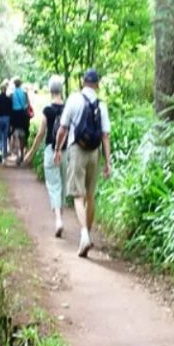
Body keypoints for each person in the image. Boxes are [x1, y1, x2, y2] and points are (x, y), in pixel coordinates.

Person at [53, 69, 111, 257]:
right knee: (90, 196)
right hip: (95, 152)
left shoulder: (74, 99)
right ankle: (87, 234)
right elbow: (105, 135)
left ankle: (84, 235)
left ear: (83, 82)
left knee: (78, 195)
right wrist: (107, 162)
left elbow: (63, 128)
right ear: (97, 84)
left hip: (77, 149)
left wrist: (57, 149)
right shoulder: (101, 105)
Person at [24, 75, 68, 237]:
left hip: (51, 151)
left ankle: (58, 220)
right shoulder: (67, 109)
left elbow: (41, 133)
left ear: (50, 90)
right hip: (65, 152)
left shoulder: (47, 110)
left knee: (54, 185)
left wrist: (31, 152)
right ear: (61, 91)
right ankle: (60, 217)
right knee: (62, 185)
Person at [10, 77, 31, 165]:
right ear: (21, 84)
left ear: (14, 84)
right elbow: (28, 104)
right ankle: (22, 153)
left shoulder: (12, 94)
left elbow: (10, 105)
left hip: (15, 115)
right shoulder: (24, 93)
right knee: (23, 135)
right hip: (23, 115)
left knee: (15, 135)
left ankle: (18, 154)